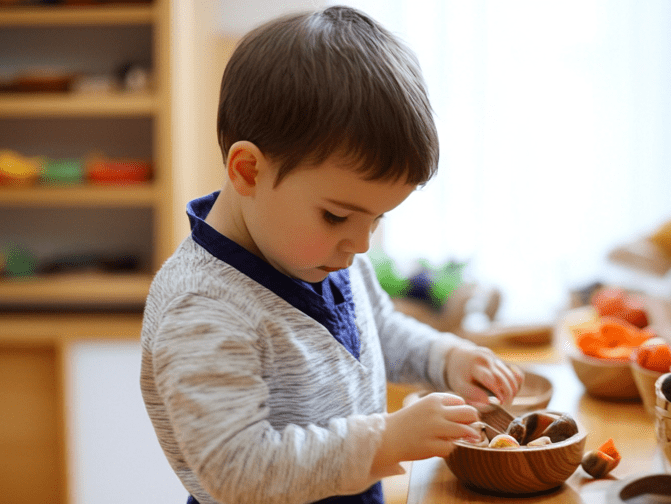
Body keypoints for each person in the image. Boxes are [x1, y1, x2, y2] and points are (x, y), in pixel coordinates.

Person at [140, 6, 523, 504]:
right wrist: (386, 440)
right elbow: (238, 471)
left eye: (377, 219)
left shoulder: (317, 252)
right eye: (338, 216)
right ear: (249, 171)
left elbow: (375, 331)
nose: (361, 245)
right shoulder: (204, 309)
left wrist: (444, 357)